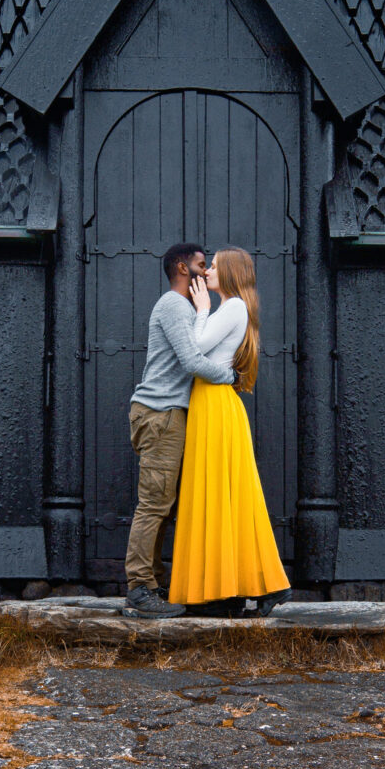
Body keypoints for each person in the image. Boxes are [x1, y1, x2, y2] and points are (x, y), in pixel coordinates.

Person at [170, 247, 290, 611]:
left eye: (216, 267)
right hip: (212, 404)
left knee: (221, 496)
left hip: (216, 405)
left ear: (233, 273)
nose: (207, 273)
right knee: (221, 498)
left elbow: (198, 347)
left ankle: (259, 586)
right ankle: (234, 590)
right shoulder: (233, 308)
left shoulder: (233, 307)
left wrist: (202, 310)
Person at [122, 241, 209, 617]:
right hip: (161, 414)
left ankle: (154, 584)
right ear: (181, 266)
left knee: (163, 505)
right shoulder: (174, 305)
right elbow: (192, 360)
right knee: (154, 504)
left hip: (165, 414)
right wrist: (234, 376)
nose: (205, 272)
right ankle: (140, 589)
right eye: (201, 265)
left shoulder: (181, 306)